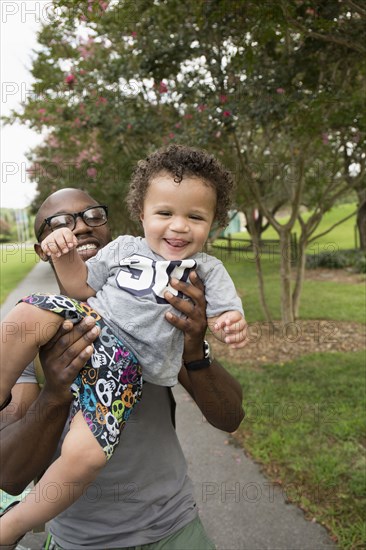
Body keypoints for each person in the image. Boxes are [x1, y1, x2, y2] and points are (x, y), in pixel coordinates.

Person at [0, 145, 246, 546]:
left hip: (171, 521)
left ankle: (9, 527)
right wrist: (57, 393)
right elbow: (7, 473)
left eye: (91, 216)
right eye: (60, 223)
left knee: (86, 455)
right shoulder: (28, 337)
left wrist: (200, 340)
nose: (79, 228)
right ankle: (14, 521)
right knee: (26, 316)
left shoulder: (169, 296)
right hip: (80, 538)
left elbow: (229, 416)